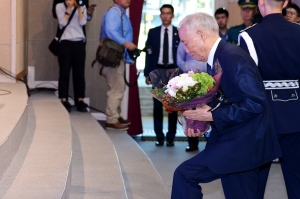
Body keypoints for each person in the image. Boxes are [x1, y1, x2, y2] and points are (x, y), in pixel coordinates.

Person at [171, 12, 281, 199]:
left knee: (184, 174)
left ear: (201, 34)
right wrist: (202, 121)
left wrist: (213, 116)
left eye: (186, 43)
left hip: (244, 145)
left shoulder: (232, 56)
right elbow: (229, 97)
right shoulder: (220, 55)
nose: (186, 50)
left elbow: (255, 102)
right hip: (239, 142)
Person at [238, 0, 300, 198]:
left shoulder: (248, 35)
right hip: (296, 115)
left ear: (260, 2)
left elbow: (247, 82)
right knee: (297, 181)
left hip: (263, 115)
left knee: (255, 182)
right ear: (286, 3)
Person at [144, 4, 180, 147]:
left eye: (168, 13)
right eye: (163, 13)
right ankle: (159, 136)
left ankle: (171, 136)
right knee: (157, 105)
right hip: (157, 71)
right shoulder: (153, 32)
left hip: (173, 71)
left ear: (172, 15)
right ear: (160, 15)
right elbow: (148, 54)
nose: (165, 16)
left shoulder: (178, 32)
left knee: (172, 105)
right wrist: (147, 73)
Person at [99, 0, 136, 130]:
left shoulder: (120, 13)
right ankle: (111, 120)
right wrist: (126, 43)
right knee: (116, 89)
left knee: (118, 87)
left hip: (115, 58)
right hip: (112, 59)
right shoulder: (115, 12)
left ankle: (115, 115)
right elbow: (110, 31)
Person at [55, 0, 88, 112]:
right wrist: (69, 7)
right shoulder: (59, 6)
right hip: (65, 43)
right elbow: (62, 22)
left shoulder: (82, 5)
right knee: (64, 73)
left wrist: (79, 8)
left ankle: (80, 100)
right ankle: (64, 100)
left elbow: (83, 22)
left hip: (79, 42)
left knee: (79, 73)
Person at [176, 42, 207, 152]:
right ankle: (192, 142)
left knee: (207, 108)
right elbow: (179, 60)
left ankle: (209, 140)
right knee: (190, 111)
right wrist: (189, 69)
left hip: (207, 78)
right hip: (190, 80)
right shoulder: (184, 41)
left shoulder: (207, 39)